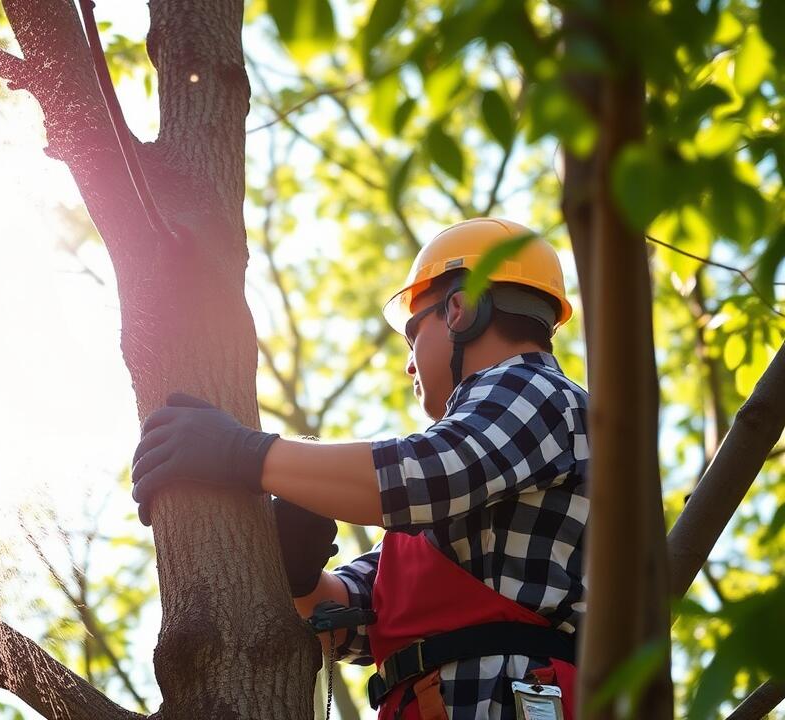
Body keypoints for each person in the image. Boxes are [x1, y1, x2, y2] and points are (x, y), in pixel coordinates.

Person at [131, 218, 588, 719]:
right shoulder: (470, 492)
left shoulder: (534, 390)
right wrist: (302, 577)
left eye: (414, 335)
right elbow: (352, 620)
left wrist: (245, 454)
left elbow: (426, 474)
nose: (409, 364)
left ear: (460, 310)